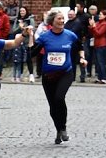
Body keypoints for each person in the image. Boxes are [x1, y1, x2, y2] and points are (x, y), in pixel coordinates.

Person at [30, 9, 86, 144]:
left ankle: (64, 128)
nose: (61, 21)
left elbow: (80, 46)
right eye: (59, 19)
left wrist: (82, 58)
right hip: (48, 75)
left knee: (59, 98)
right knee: (53, 105)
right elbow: (32, 53)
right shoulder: (44, 37)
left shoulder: (70, 35)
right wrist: (31, 36)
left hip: (65, 73)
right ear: (52, 22)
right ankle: (58, 130)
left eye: (63, 19)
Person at [11, 6, 35, 82]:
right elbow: (13, 31)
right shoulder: (17, 20)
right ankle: (19, 74)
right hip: (18, 41)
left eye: (23, 11)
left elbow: (32, 29)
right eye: (21, 11)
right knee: (19, 58)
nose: (22, 12)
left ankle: (31, 74)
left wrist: (24, 28)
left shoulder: (30, 19)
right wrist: (19, 27)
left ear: (26, 11)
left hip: (27, 42)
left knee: (28, 58)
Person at [89, 9, 106, 84]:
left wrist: (94, 27)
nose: (99, 15)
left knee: (101, 62)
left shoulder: (105, 24)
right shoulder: (98, 23)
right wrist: (91, 26)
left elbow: (99, 33)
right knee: (97, 62)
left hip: (102, 44)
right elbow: (93, 32)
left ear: (105, 16)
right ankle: (99, 77)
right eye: (99, 14)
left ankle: (103, 77)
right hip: (96, 44)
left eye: (101, 14)